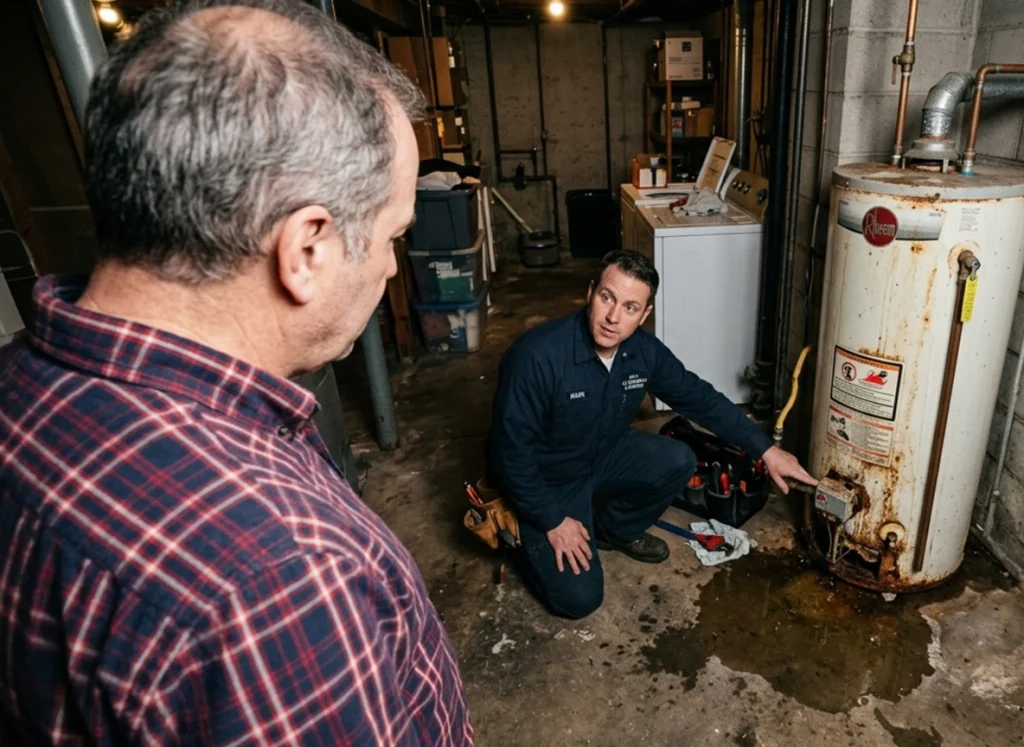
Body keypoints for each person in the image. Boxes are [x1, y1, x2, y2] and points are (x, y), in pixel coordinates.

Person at [0, 1, 473, 744]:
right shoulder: (275, 579)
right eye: (392, 235)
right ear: (307, 249)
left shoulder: (16, 385)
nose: (389, 264)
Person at [489, 250, 816, 619]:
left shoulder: (644, 353)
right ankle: (522, 536)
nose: (613, 318)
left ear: (644, 315)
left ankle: (615, 528)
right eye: (607, 298)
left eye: (630, 307)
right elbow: (510, 452)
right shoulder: (537, 355)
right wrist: (550, 520)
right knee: (579, 600)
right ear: (590, 292)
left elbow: (700, 399)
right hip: (553, 477)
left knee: (678, 459)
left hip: (606, 451)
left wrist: (766, 451)